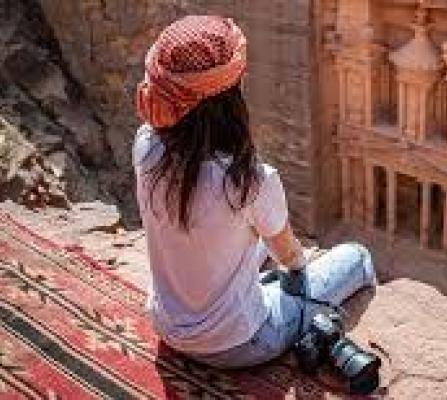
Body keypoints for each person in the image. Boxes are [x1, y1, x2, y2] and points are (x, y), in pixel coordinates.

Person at [133, 15, 376, 368]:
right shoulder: (249, 180)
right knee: (356, 258)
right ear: (231, 96)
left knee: (251, 241)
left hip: (167, 326)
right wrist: (296, 267)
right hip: (240, 342)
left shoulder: (145, 146)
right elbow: (289, 258)